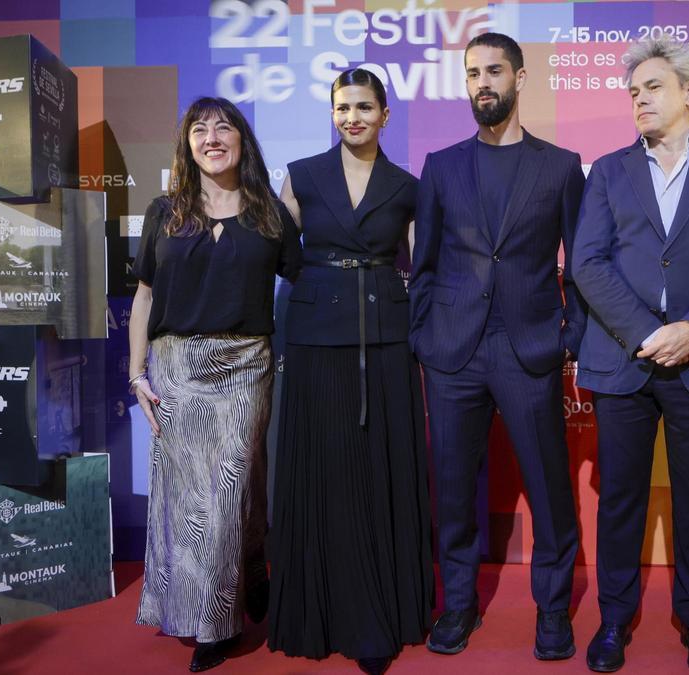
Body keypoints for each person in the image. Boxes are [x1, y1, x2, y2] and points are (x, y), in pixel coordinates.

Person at [572, 37, 689, 674]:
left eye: (651, 88)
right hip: (624, 360)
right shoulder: (606, 170)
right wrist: (644, 333)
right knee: (621, 499)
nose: (639, 101)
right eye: (632, 93)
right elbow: (587, 263)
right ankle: (613, 621)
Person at [409, 31, 586, 661]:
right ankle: (456, 606)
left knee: (549, 492)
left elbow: (581, 264)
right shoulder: (441, 165)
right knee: (452, 492)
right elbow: (422, 263)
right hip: (452, 353)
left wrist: (569, 336)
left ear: (519, 77)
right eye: (473, 73)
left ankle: (553, 610)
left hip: (529, 349)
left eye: (494, 71)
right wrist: (423, 336)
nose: (483, 82)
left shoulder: (561, 166)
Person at [267, 68, 433, 675]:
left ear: (385, 114)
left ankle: (376, 617)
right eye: (342, 108)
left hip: (387, 341)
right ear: (332, 114)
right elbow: (275, 252)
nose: (353, 117)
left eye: (364, 107)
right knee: (325, 470)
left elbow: (425, 264)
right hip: (314, 340)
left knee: (377, 472)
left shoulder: (409, 186)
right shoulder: (302, 175)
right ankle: (320, 609)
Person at [130, 96, 299, 673]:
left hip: (246, 364)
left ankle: (216, 619)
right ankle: (246, 576)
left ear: (241, 140)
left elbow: (307, 277)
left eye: (223, 126)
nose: (211, 137)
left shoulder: (270, 214)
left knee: (226, 491)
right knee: (190, 503)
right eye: (199, 129)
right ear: (188, 145)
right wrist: (137, 375)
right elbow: (144, 298)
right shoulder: (165, 212)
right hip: (176, 368)